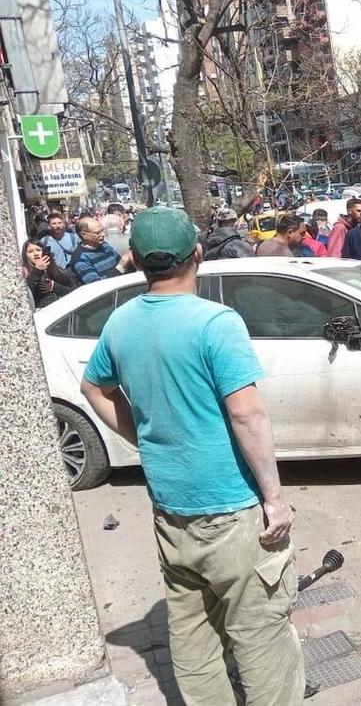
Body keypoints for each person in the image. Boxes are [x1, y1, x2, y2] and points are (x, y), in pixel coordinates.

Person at [79, 206, 304, 704]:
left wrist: (145, 437)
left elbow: (94, 387)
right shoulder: (215, 322)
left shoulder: (119, 323)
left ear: (134, 259)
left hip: (171, 510)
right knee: (262, 638)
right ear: (198, 254)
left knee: (194, 642)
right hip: (232, 511)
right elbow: (247, 415)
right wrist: (275, 497)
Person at [71, 216, 134, 284]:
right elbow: (97, 286)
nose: (103, 234)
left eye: (102, 230)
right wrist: (121, 266)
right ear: (84, 235)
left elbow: (121, 265)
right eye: (97, 233)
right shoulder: (80, 259)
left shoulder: (105, 245)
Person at [23, 239, 77, 308]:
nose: (35, 254)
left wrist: (54, 286)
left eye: (38, 250)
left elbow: (74, 291)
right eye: (30, 252)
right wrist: (37, 271)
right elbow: (27, 294)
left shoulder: (55, 268)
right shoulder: (25, 273)